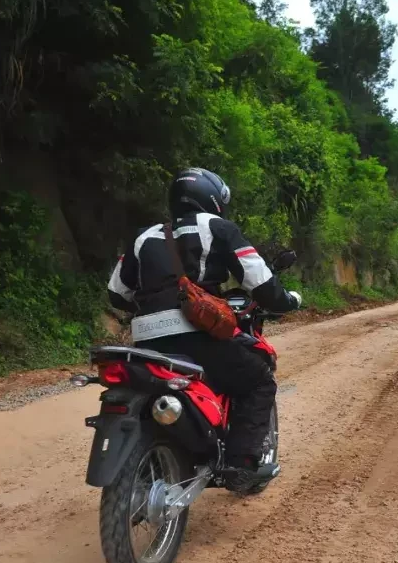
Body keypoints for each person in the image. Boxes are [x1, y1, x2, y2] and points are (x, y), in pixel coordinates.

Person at [106, 167, 302, 492]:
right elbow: (262, 283)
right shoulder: (219, 228)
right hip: (196, 337)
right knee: (258, 381)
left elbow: (118, 293)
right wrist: (289, 301)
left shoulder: (144, 236)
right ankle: (241, 466)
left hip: (145, 342)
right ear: (212, 198)